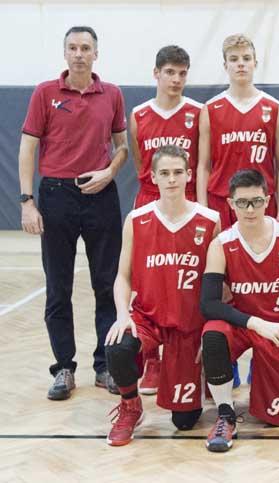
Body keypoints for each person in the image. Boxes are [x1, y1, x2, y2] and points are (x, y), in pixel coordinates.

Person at [19, 26, 128, 400]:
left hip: (101, 194)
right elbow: (28, 148)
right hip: (57, 195)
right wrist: (27, 201)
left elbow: (122, 147)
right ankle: (63, 367)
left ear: (96, 54)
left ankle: (106, 365)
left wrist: (109, 172)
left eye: (85, 48)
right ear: (65, 53)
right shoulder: (45, 93)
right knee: (58, 286)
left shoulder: (112, 94)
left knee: (108, 284)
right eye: (73, 47)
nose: (79, 53)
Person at [103, 145, 220, 446]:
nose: (171, 179)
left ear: (189, 175)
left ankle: (199, 375)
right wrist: (122, 315)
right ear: (153, 177)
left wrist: (211, 331)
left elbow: (220, 283)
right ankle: (131, 407)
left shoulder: (210, 220)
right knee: (117, 345)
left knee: (184, 422)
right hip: (149, 317)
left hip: (189, 323)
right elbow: (123, 277)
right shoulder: (136, 219)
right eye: (164, 173)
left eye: (178, 172)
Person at [199, 169, 279, 453]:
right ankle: (226, 415)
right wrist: (256, 323)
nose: (250, 209)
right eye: (242, 202)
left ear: (268, 200)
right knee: (213, 335)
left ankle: (265, 381)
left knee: (274, 419)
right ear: (230, 203)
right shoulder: (221, 244)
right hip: (243, 324)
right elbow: (208, 304)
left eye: (257, 201)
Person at [130, 45, 203, 395]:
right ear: (156, 74)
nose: (176, 79)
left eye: (182, 73)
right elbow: (139, 164)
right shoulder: (139, 114)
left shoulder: (198, 113)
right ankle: (151, 359)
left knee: (185, 283)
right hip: (150, 198)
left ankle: (187, 353)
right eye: (169, 72)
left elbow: (202, 164)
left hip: (187, 202)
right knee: (149, 283)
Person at [197, 33, 279, 228]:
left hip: (260, 201)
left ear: (255, 63)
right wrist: (203, 209)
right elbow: (204, 165)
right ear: (225, 66)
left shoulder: (274, 108)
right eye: (234, 59)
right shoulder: (211, 109)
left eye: (246, 58)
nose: (241, 64)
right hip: (221, 201)